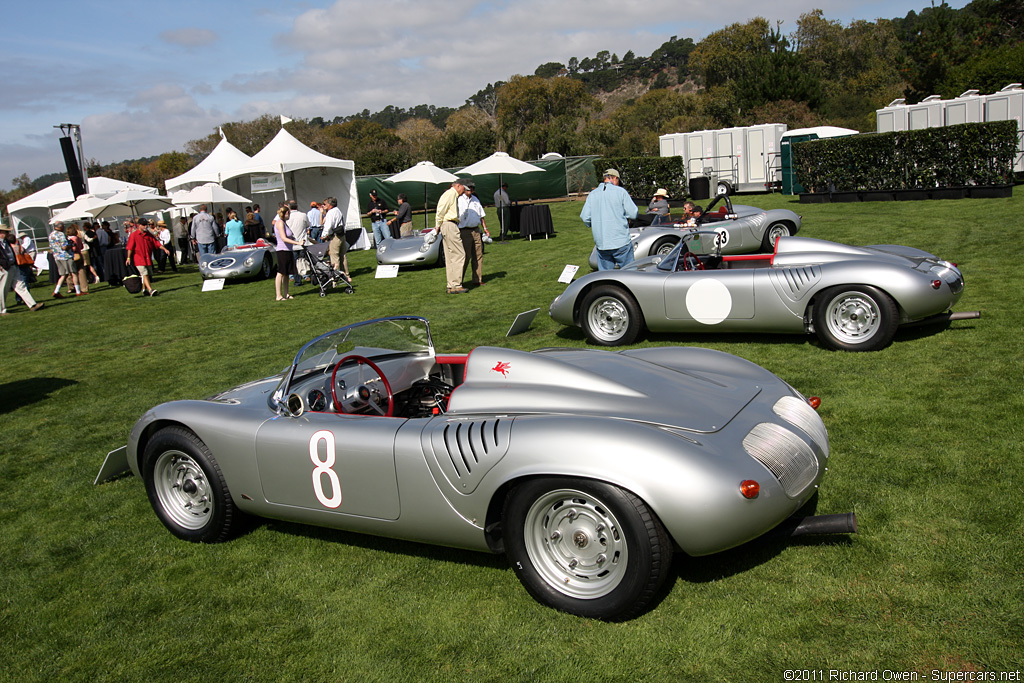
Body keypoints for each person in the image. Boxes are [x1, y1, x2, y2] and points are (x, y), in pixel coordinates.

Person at [580, 168, 638, 271]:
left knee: (605, 276)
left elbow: (585, 217)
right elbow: (633, 213)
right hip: (620, 240)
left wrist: (595, 223)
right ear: (615, 178)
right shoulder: (621, 192)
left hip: (602, 242)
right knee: (630, 273)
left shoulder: (593, 194)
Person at [433, 178, 469, 293]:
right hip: (449, 225)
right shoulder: (450, 194)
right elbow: (440, 210)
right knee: (459, 254)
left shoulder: (451, 194)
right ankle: (456, 285)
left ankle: (451, 285)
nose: (464, 192)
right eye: (464, 188)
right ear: (458, 185)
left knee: (450, 257)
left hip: (447, 225)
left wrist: (439, 226)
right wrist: (437, 226)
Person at [0, 227, 44, 315]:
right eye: (5, 232)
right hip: (5, 267)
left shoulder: (6, 242)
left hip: (13, 266)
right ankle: (2, 310)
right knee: (3, 289)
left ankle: (32, 305)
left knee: (21, 286)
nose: (7, 234)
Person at [457, 181, 490, 287]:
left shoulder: (475, 199)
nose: (470, 190)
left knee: (478, 255)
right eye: (468, 188)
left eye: (472, 189)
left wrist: (485, 228)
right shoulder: (458, 200)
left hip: (476, 230)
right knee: (465, 257)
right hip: (464, 231)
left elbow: (481, 215)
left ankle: (477, 279)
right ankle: (458, 281)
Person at [126, 218, 169, 297]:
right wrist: (128, 258)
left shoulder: (148, 235)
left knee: (147, 274)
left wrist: (165, 249)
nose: (146, 226)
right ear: (139, 225)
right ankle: (150, 290)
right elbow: (130, 248)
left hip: (147, 258)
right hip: (139, 258)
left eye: (147, 225)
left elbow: (156, 243)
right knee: (144, 273)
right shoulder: (134, 235)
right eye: (144, 225)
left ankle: (144, 289)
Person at [272, 206, 302, 301]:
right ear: (286, 214)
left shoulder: (284, 223)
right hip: (282, 251)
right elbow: (284, 238)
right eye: (289, 213)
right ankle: (278, 295)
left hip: (288, 250)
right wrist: (298, 243)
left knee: (287, 273)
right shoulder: (280, 223)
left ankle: (286, 293)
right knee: (281, 272)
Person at [322, 196, 347, 277]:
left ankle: (336, 275)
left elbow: (328, 226)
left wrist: (324, 235)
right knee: (343, 255)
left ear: (329, 204)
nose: (324, 205)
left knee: (334, 256)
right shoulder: (338, 211)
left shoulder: (331, 212)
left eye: (325, 204)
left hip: (335, 236)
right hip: (341, 235)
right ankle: (346, 274)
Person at [286, 199, 310, 286]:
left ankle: (297, 280)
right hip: (302, 241)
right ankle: (306, 274)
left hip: (292, 243)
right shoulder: (303, 215)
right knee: (304, 260)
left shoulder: (287, 217)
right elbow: (308, 224)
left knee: (295, 262)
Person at [65, 224, 88, 295]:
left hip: (73, 256)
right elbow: (81, 246)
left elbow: (73, 248)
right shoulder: (78, 238)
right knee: (82, 272)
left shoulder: (70, 239)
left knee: (71, 273)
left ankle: (71, 287)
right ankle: (84, 288)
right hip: (79, 254)